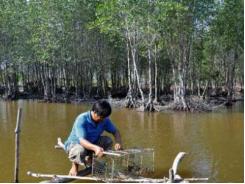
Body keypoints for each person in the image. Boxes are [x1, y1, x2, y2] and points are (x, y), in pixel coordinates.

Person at [64, 100, 122, 176]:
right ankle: (75, 165)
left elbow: (115, 131)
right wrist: (95, 148)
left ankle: (90, 159)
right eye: (101, 117)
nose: (103, 120)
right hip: (75, 144)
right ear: (94, 112)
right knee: (80, 150)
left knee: (108, 141)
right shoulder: (82, 119)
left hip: (92, 142)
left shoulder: (104, 119)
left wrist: (118, 142)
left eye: (105, 117)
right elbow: (81, 141)